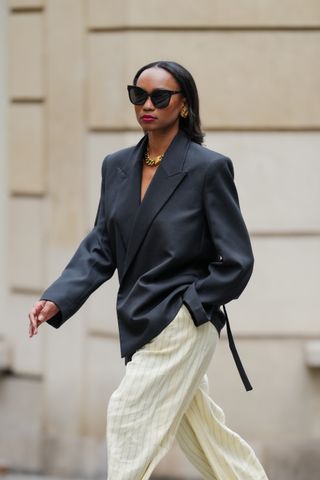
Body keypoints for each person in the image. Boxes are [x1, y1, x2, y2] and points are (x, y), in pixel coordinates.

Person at [28, 60, 269, 479]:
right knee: (206, 436)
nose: (147, 105)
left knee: (128, 415)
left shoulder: (207, 168)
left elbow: (237, 260)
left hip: (181, 319)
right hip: (139, 316)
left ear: (184, 105)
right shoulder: (116, 166)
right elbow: (102, 244)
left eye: (160, 97)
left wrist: (193, 306)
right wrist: (58, 297)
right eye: (138, 95)